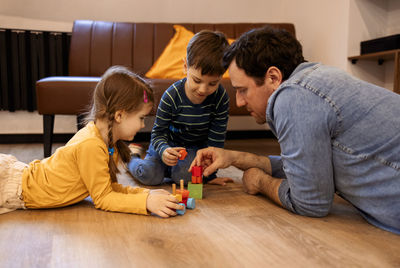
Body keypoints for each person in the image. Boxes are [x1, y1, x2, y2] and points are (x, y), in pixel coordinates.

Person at [190, 26, 400, 234]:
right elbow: (307, 167)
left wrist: (260, 182)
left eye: (242, 90)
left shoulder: (293, 98)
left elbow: (311, 202)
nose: (239, 101)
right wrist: (236, 158)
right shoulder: (318, 78)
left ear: (273, 77)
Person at [0, 66, 183, 218]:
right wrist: (146, 202)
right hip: (14, 184)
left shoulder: (108, 143)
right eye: (141, 118)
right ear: (119, 115)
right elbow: (104, 198)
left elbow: (108, 188)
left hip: (22, 180)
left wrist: (147, 194)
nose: (143, 125)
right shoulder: (92, 145)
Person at [128, 30, 233, 186]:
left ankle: (172, 171)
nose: (203, 90)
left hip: (193, 150)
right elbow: (158, 133)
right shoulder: (171, 96)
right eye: (197, 80)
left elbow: (215, 141)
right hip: (166, 145)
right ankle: (131, 157)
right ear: (185, 67)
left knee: (186, 178)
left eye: (213, 83)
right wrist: (163, 150)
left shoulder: (220, 98)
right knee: (150, 176)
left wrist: (210, 175)